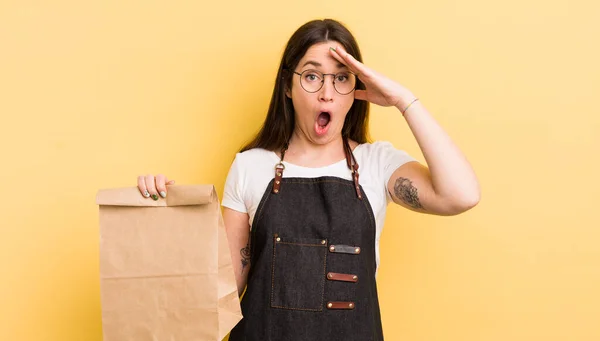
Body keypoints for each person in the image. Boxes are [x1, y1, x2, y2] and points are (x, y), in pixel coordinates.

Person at [136, 18, 480, 341]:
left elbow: (461, 194)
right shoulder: (250, 166)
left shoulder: (377, 164)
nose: (327, 93)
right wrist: (164, 216)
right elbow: (221, 292)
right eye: (313, 77)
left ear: (356, 89)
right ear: (288, 86)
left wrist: (404, 101)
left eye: (342, 78)